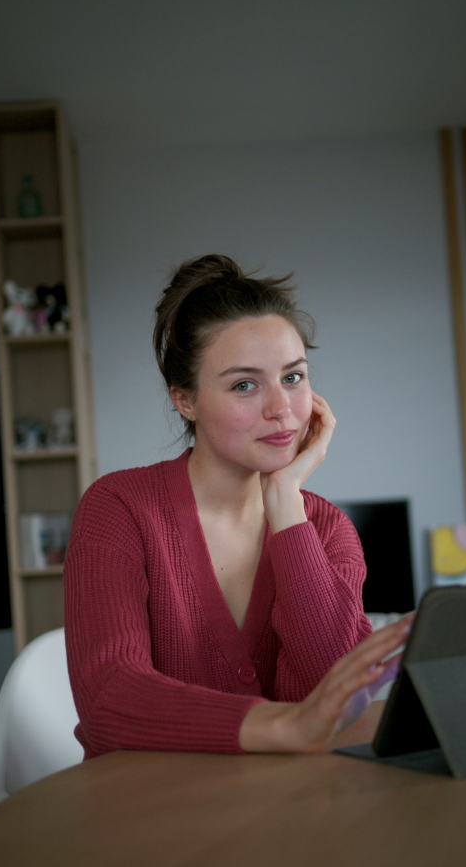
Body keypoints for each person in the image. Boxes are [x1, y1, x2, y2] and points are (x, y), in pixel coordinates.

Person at [64, 254, 412, 761]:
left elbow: (337, 698)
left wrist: (287, 506)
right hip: (147, 812)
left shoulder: (325, 527)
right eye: (244, 385)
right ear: (185, 400)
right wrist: (284, 725)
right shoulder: (118, 508)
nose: (281, 408)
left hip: (291, 812)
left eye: (293, 378)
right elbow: (109, 699)